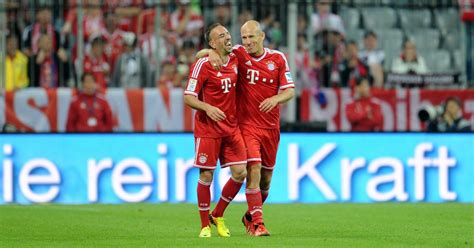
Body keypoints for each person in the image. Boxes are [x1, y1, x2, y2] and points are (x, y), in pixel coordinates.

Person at [198, 20, 295, 236]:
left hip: (271, 128)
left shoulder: (277, 58)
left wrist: (275, 99)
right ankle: (258, 224)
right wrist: (209, 52)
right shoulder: (238, 55)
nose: (248, 42)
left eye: (252, 37)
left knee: (266, 182)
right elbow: (211, 52)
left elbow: (290, 91)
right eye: (244, 38)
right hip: (246, 126)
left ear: (262, 36)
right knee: (253, 170)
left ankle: (243, 216)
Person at [183, 23, 247, 238]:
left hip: (231, 127)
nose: (227, 37)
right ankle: (204, 226)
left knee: (240, 173)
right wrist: (207, 107)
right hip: (208, 129)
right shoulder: (203, 64)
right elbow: (188, 96)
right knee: (207, 175)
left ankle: (217, 214)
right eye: (221, 36)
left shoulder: (236, 56)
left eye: (228, 33)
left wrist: (210, 50)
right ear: (212, 42)